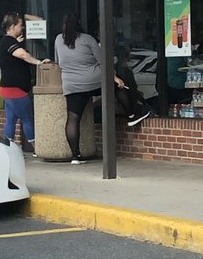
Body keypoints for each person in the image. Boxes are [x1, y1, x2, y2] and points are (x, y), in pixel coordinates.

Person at [54, 12, 149, 165]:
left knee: (72, 119)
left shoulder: (59, 40)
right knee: (118, 87)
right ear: (79, 24)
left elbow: (58, 62)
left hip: (71, 84)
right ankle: (131, 115)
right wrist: (116, 78)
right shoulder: (87, 39)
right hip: (93, 80)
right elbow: (103, 61)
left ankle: (75, 157)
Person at [0, 12, 50, 155]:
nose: (23, 28)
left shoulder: (8, 42)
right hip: (16, 90)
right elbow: (22, 55)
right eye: (21, 25)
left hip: (8, 89)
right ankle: (38, 149)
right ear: (13, 26)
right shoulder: (8, 41)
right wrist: (39, 62)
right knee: (27, 119)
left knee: (11, 120)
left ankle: (7, 150)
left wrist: (18, 44)